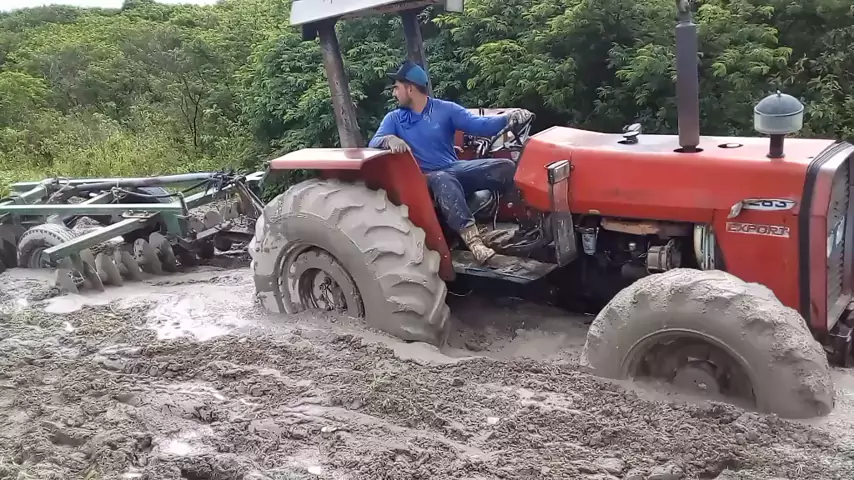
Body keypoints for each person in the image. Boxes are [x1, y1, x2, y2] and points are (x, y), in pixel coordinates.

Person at [369, 61, 533, 264]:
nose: (394, 93)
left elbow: (480, 125)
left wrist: (509, 118)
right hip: (425, 178)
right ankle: (475, 243)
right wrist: (389, 139)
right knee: (443, 178)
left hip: (453, 168)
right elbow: (374, 141)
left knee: (505, 167)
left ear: (410, 88)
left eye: (397, 88)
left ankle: (528, 228)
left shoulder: (445, 109)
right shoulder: (394, 119)